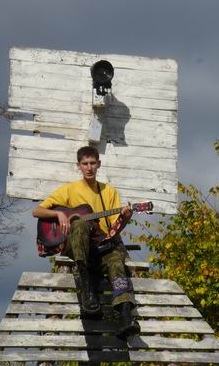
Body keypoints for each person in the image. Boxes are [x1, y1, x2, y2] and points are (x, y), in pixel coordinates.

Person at [32, 145, 140, 339]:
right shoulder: (69, 189)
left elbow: (114, 229)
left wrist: (125, 218)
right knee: (81, 223)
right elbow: (37, 211)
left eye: (92, 163)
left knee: (116, 261)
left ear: (99, 164)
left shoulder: (109, 191)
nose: (89, 167)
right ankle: (87, 287)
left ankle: (125, 315)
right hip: (76, 246)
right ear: (78, 166)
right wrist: (58, 213)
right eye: (85, 164)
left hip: (101, 245)